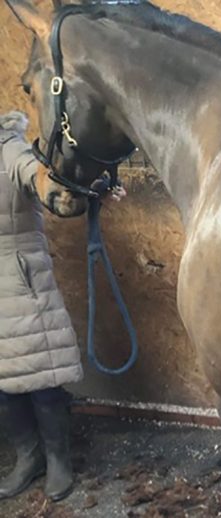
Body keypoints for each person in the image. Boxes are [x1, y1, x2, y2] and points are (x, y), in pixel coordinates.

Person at [0, 110, 82, 502]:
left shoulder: (11, 149)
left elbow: (36, 177)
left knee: (42, 375)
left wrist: (63, 190)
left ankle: (58, 458)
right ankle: (27, 457)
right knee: (5, 386)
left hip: (21, 278)